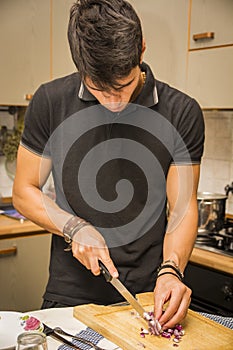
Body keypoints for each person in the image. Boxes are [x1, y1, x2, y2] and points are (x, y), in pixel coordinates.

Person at [13, 0, 204, 330]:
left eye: (124, 86)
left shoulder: (182, 112)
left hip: (148, 295)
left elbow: (182, 207)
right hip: (69, 293)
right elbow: (24, 192)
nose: (114, 102)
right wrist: (74, 227)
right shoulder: (50, 101)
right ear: (80, 66)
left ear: (141, 50)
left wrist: (172, 270)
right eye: (99, 89)